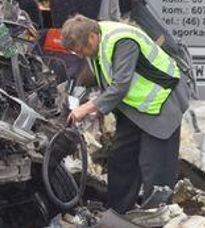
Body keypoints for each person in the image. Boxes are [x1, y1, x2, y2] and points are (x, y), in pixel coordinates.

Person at [60, 14, 189, 213]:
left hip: (161, 103)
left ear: (92, 37)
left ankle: (156, 216)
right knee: (121, 158)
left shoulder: (122, 42)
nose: (82, 54)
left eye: (82, 49)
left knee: (155, 166)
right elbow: (102, 76)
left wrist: (87, 108)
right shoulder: (96, 43)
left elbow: (120, 85)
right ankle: (118, 212)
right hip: (135, 108)